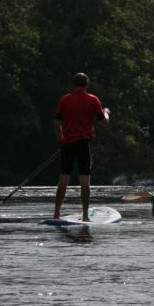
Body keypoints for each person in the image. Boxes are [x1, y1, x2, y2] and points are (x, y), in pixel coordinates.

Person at [52, 72, 110, 220]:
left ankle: (56, 213)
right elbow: (104, 122)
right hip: (83, 143)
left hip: (68, 143)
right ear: (87, 85)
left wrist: (60, 139)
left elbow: (57, 124)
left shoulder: (65, 99)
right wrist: (106, 112)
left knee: (63, 180)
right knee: (85, 182)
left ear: (73, 84)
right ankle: (85, 216)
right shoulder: (93, 99)